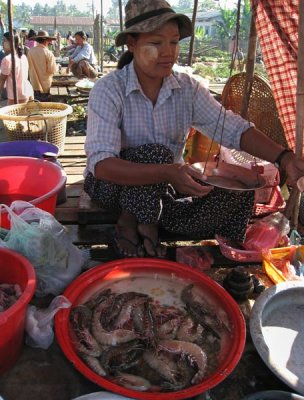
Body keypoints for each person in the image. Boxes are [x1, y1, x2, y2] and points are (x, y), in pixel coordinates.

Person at [84, 0, 304, 258]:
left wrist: (284, 157)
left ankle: (170, 224)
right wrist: (166, 170)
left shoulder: (187, 89)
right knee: (156, 155)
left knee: (241, 189)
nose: (168, 52)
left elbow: (234, 129)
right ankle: (130, 224)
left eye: (174, 42)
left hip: (165, 185)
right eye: (156, 43)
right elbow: (101, 165)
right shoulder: (109, 90)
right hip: (110, 188)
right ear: (132, 44)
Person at [0, 31, 34, 104]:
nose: (2, 43)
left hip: (16, 95)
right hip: (27, 91)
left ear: (12, 43)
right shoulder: (23, 56)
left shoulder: (7, 59)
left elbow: (2, 80)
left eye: (4, 41)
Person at [27, 30, 57, 101]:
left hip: (34, 85)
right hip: (45, 86)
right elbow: (51, 70)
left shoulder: (30, 51)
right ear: (46, 41)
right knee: (45, 107)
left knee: (36, 106)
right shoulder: (48, 53)